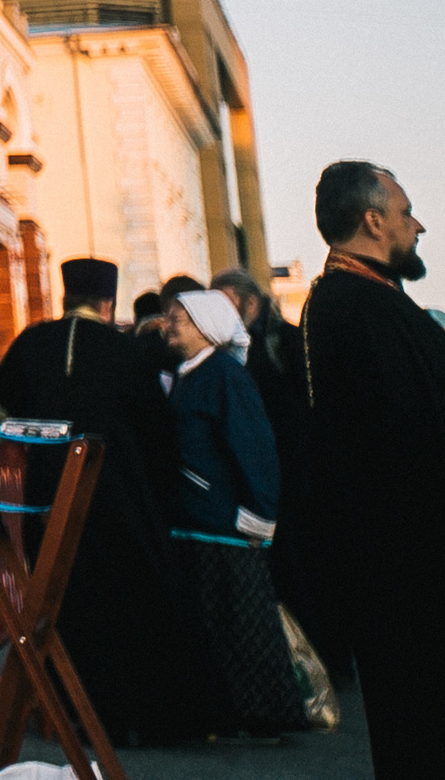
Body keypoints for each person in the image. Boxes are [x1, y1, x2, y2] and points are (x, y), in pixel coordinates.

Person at [0, 256, 207, 744]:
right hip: (115, 495)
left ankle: (71, 707)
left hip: (48, 491)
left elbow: (6, 394)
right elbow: (155, 427)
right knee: (128, 598)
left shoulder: (32, 342)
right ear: (107, 303)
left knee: (65, 599)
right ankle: (132, 712)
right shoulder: (123, 349)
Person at [298, 161, 445, 777]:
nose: (418, 227)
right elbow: (405, 439)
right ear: (373, 219)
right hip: (406, 566)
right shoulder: (353, 306)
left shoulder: (366, 300)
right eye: (407, 212)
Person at [160, 288, 303, 736]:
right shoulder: (189, 374)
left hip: (225, 524)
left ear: (206, 328)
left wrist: (259, 515)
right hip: (199, 522)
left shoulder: (224, 376)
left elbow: (255, 448)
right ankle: (231, 712)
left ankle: (266, 717)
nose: (169, 327)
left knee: (246, 624)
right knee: (220, 626)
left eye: (178, 321)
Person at [210, 265, 335, 676]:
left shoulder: (286, 341)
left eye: (226, 303)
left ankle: (323, 661)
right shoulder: (233, 348)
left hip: (299, 477)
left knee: (307, 569)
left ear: (251, 302)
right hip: (264, 479)